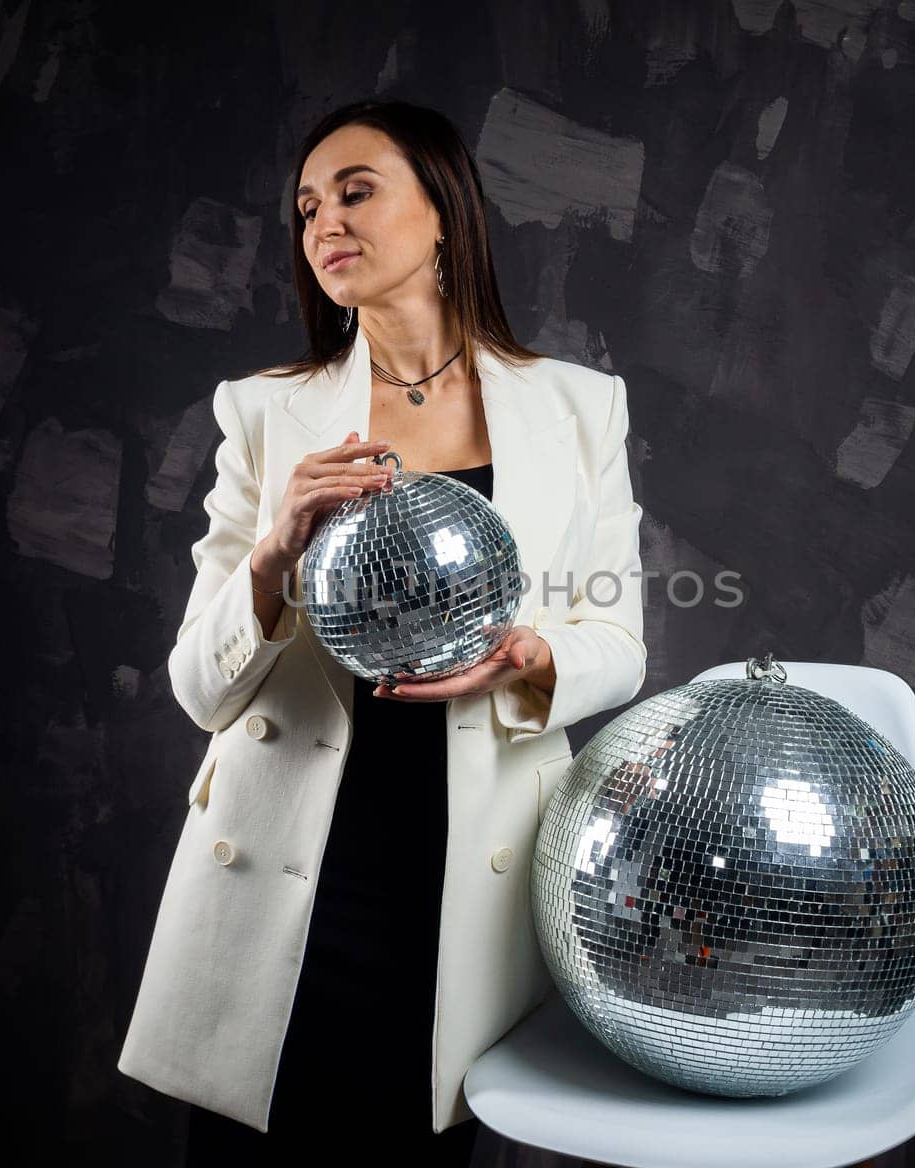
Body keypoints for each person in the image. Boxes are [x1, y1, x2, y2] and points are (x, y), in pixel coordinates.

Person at [117, 98, 648, 1162]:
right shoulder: (269, 413)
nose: (324, 223)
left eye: (357, 191)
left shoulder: (579, 407)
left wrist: (528, 660)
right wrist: (273, 552)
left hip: (463, 877)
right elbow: (199, 688)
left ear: (445, 211)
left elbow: (620, 639)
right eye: (307, 207)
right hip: (285, 866)